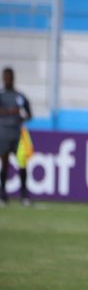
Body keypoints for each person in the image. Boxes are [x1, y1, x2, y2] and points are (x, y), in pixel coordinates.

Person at [0, 67, 33, 207]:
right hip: (4, 133)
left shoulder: (19, 96)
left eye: (9, 77)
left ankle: (24, 196)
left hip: (17, 134)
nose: (7, 79)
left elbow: (29, 114)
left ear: (13, 78)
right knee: (5, 164)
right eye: (5, 77)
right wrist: (7, 112)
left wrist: (21, 117)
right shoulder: (0, 95)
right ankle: (3, 195)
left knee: (22, 164)